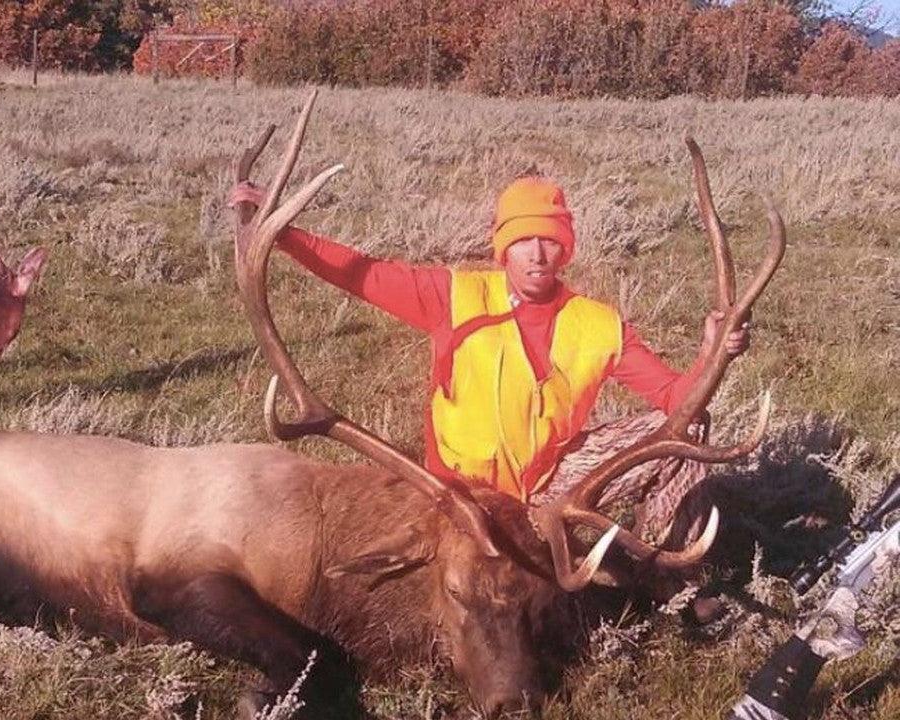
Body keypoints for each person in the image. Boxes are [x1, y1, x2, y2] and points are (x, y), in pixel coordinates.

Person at [229, 176, 750, 546]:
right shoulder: (452, 297)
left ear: (565, 248)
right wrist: (281, 233)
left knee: (684, 428)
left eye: (549, 240)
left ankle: (664, 571)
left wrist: (710, 353)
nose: (537, 254)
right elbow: (362, 273)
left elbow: (674, 400)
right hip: (459, 496)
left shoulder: (600, 323)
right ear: (503, 248)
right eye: (523, 240)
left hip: (555, 483)